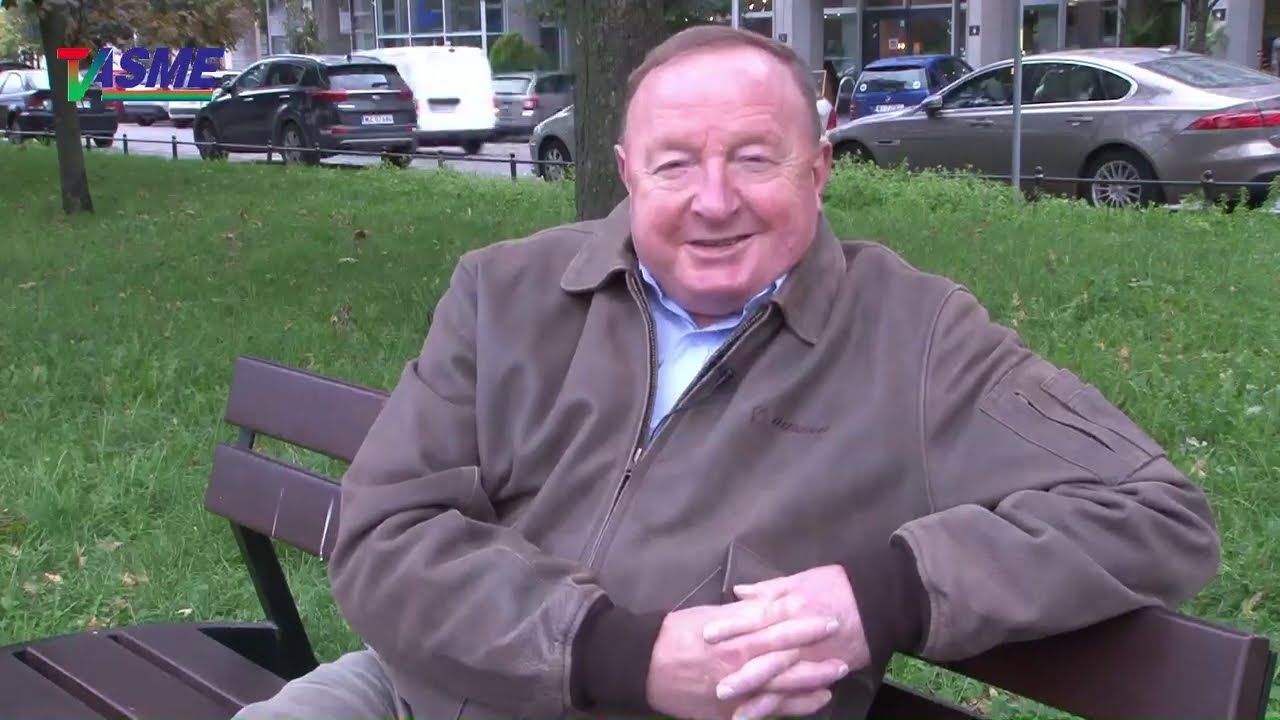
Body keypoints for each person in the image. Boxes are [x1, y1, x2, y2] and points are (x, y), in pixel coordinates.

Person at [234, 24, 1221, 720]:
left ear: (817, 168)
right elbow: (383, 532)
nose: (713, 201)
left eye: (754, 158)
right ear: (627, 172)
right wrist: (615, 651)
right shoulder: (507, 291)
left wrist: (886, 595)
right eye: (675, 165)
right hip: (418, 693)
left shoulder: (915, 336)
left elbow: (1152, 513)